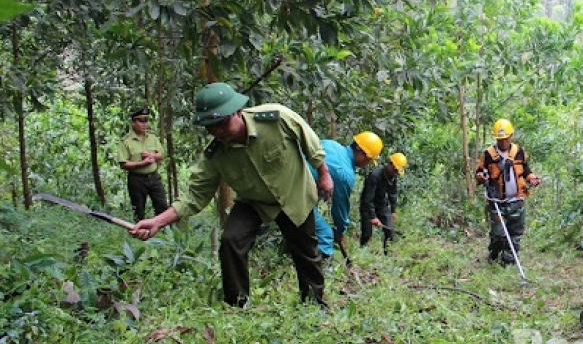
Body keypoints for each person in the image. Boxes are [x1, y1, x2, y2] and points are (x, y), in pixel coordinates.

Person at [129, 82, 334, 309]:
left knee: (305, 252)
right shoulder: (214, 155)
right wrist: (157, 222)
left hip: (293, 194)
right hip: (253, 201)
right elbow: (194, 197)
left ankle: (315, 307)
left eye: (222, 123)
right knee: (231, 240)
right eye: (210, 127)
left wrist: (324, 174)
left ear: (238, 111)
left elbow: (311, 143)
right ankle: (237, 305)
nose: (218, 131)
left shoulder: (278, 119)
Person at [309, 131, 384, 263]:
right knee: (326, 235)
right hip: (296, 194)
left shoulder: (332, 144)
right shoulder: (345, 174)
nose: (367, 164)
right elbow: (340, 208)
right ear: (361, 154)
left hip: (290, 180)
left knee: (308, 226)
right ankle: (320, 270)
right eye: (369, 160)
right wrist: (340, 231)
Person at [475, 118, 541, 266]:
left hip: (516, 200)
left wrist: (532, 179)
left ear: (511, 136)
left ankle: (508, 262)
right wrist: (480, 177)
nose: (503, 142)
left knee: (515, 233)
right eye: (500, 139)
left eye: (506, 138)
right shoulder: (488, 155)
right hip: (497, 201)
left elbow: (526, 170)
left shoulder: (519, 152)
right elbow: (479, 172)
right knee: (498, 233)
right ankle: (494, 252)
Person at [117, 107, 169, 221]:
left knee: (162, 206)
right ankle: (140, 235)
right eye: (141, 121)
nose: (144, 124)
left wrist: (152, 156)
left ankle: (165, 233)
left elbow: (161, 154)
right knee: (138, 210)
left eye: (146, 120)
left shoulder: (152, 138)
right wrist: (142, 163)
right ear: (133, 122)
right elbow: (123, 164)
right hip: (137, 179)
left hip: (154, 177)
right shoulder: (126, 141)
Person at [359, 152, 407, 254]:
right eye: (394, 170)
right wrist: (373, 217)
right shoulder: (375, 176)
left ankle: (387, 254)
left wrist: (393, 210)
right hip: (367, 206)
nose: (395, 173)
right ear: (390, 164)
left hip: (381, 204)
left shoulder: (393, 177)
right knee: (367, 234)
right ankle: (361, 251)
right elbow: (368, 199)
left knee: (389, 230)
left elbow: (393, 193)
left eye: (397, 171)